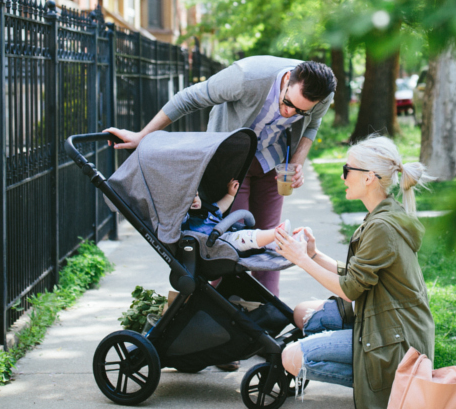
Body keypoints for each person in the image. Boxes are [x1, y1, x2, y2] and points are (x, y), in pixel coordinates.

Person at [107, 56, 336, 296]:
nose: (290, 113)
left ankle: (264, 313)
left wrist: (296, 161)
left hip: (272, 164)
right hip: (232, 164)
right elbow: (189, 98)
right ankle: (216, 312)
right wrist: (142, 135)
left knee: (272, 242)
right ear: (288, 78)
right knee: (227, 242)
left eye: (300, 111)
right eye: (288, 102)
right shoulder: (247, 76)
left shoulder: (323, 93)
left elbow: (313, 123)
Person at [275, 135, 435, 409]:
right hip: (388, 325)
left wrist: (301, 259)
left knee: (292, 357)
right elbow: (359, 276)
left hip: (394, 342)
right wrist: (314, 254)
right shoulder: (382, 214)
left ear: (370, 178)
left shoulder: (382, 227)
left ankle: (388, 387)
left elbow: (349, 290)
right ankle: (372, 374)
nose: (343, 176)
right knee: (301, 313)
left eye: (348, 170)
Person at [184, 179, 305, 252]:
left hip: (226, 235)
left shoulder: (208, 209)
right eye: (189, 199)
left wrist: (231, 194)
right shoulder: (185, 218)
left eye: (195, 196)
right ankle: (277, 233)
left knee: (257, 239)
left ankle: (289, 243)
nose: (194, 201)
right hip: (214, 243)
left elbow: (221, 206)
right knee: (245, 236)